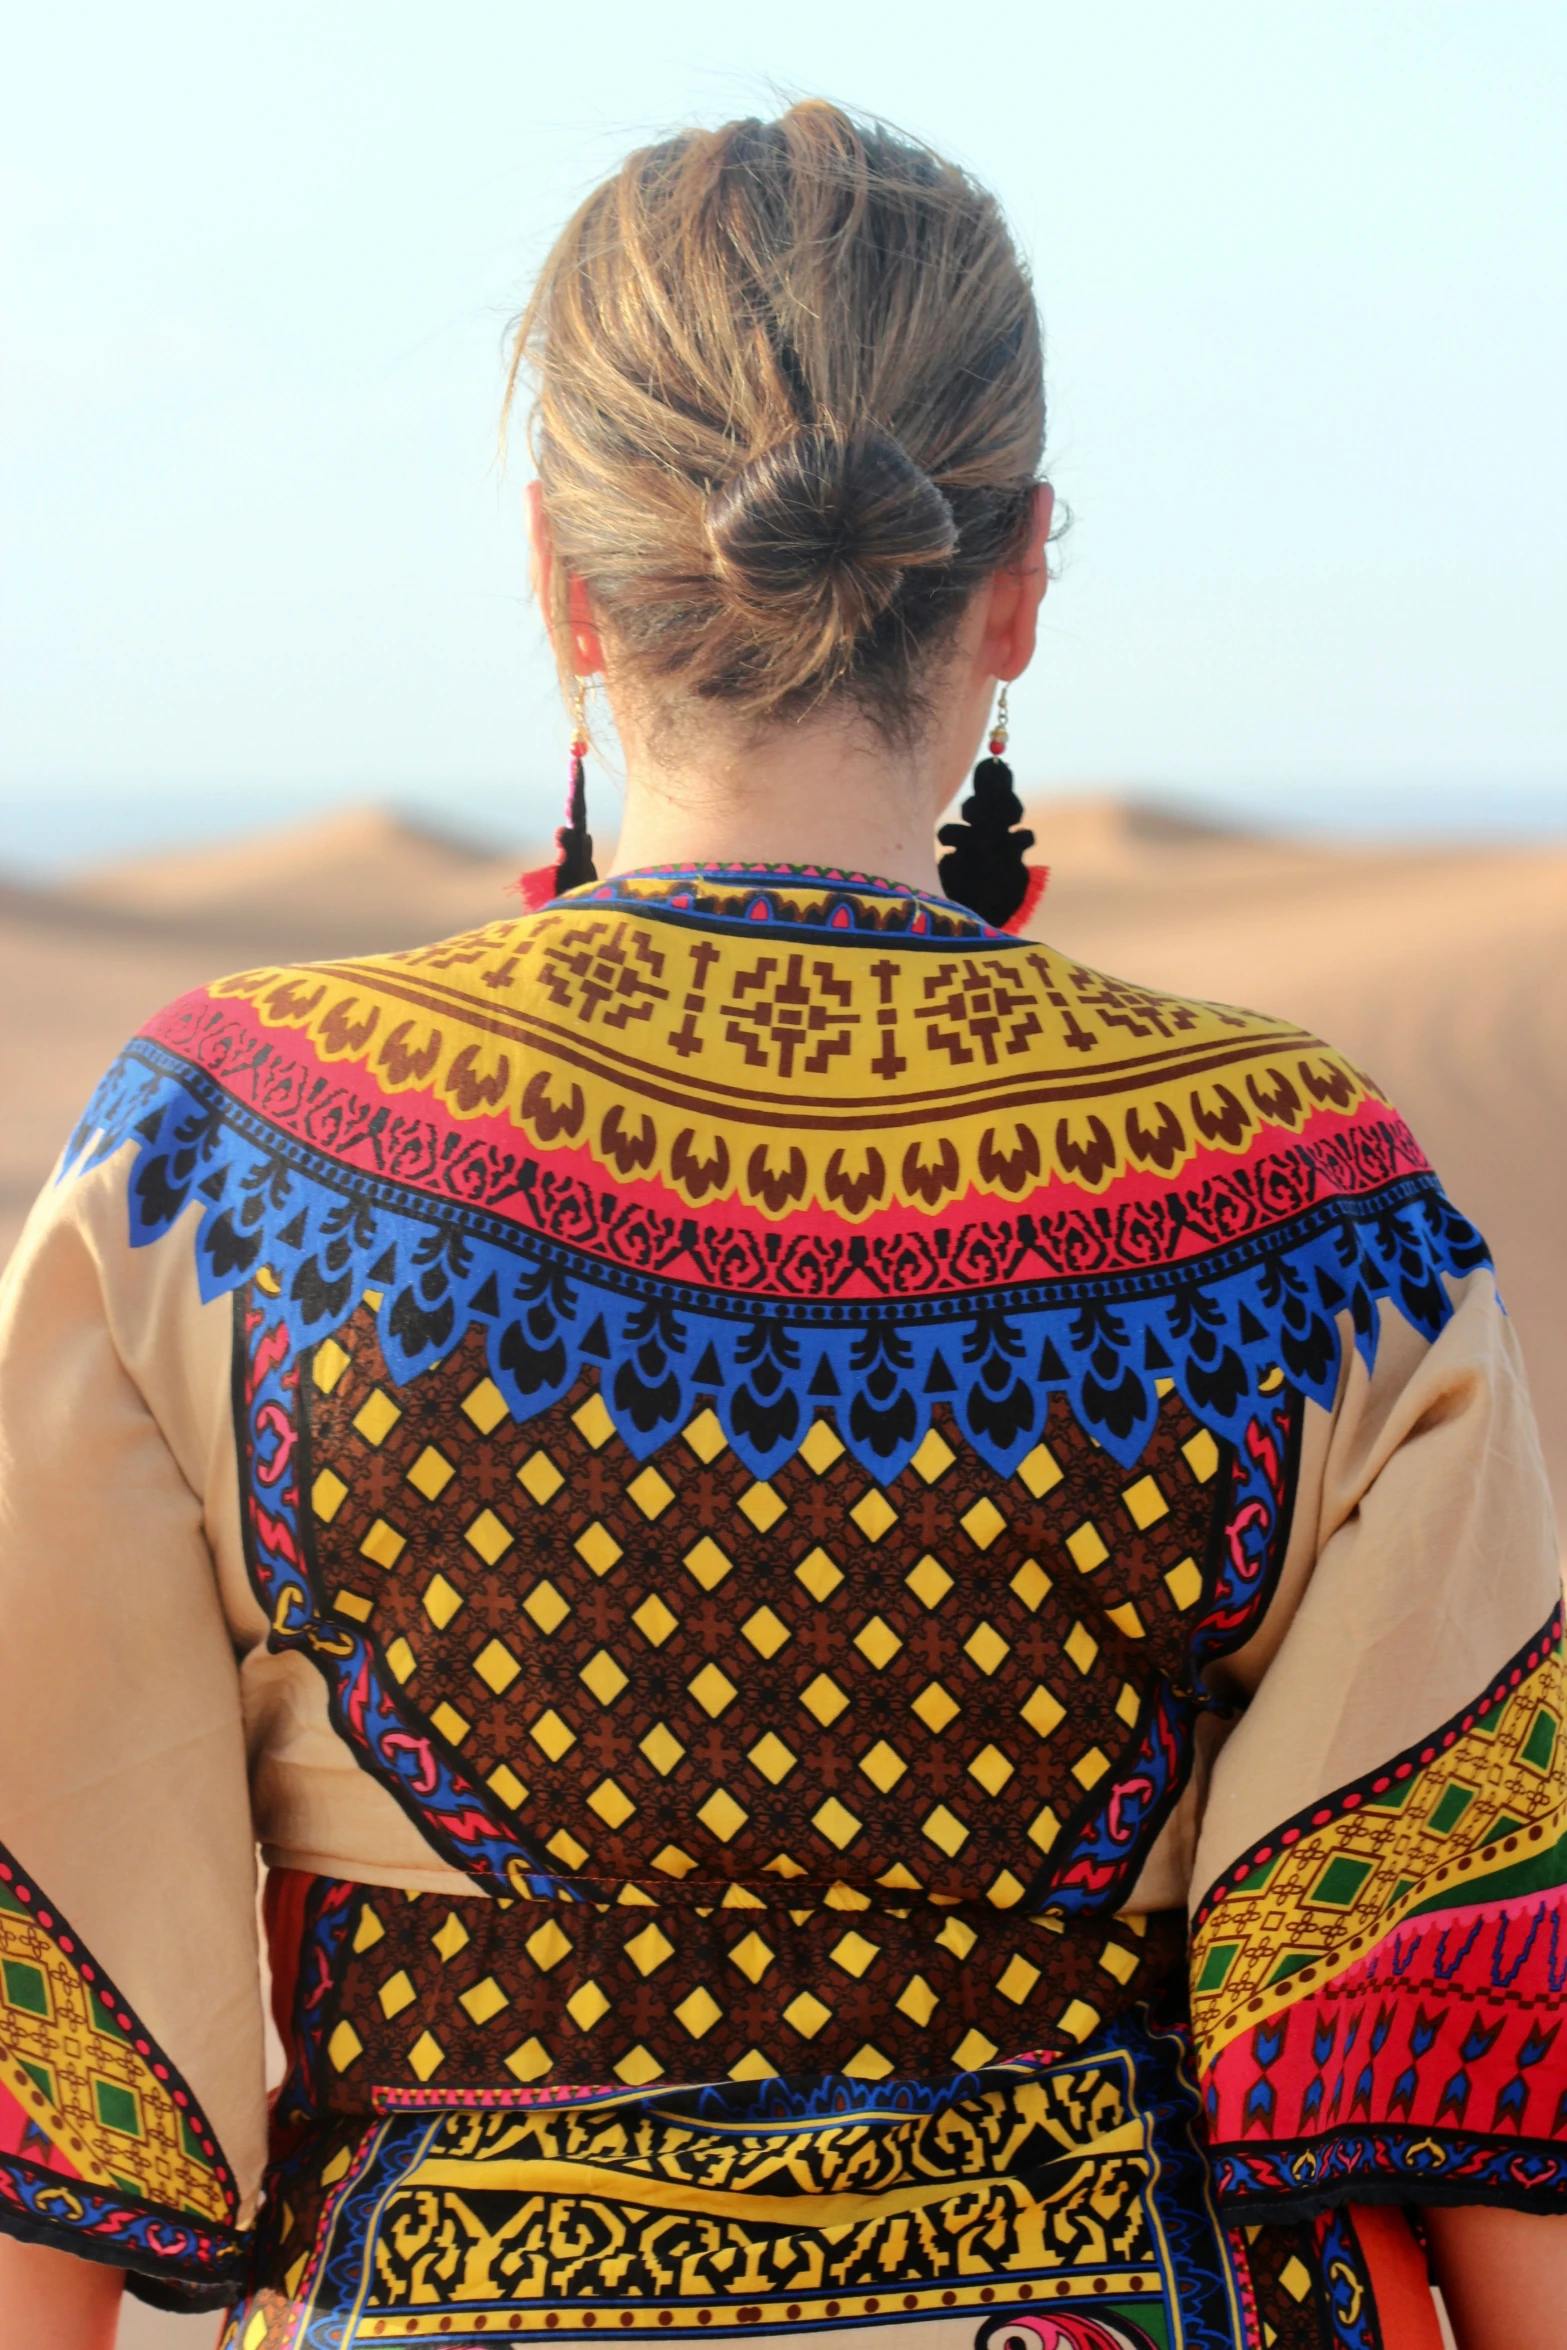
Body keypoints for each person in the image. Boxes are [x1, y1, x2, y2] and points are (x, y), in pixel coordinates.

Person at [0, 101, 1564, 2350]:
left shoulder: (218, 1166)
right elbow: (1471, 2063)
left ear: (561, 582)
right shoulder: (1322, 1214)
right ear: (1017, 579)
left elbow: (52, 2062)